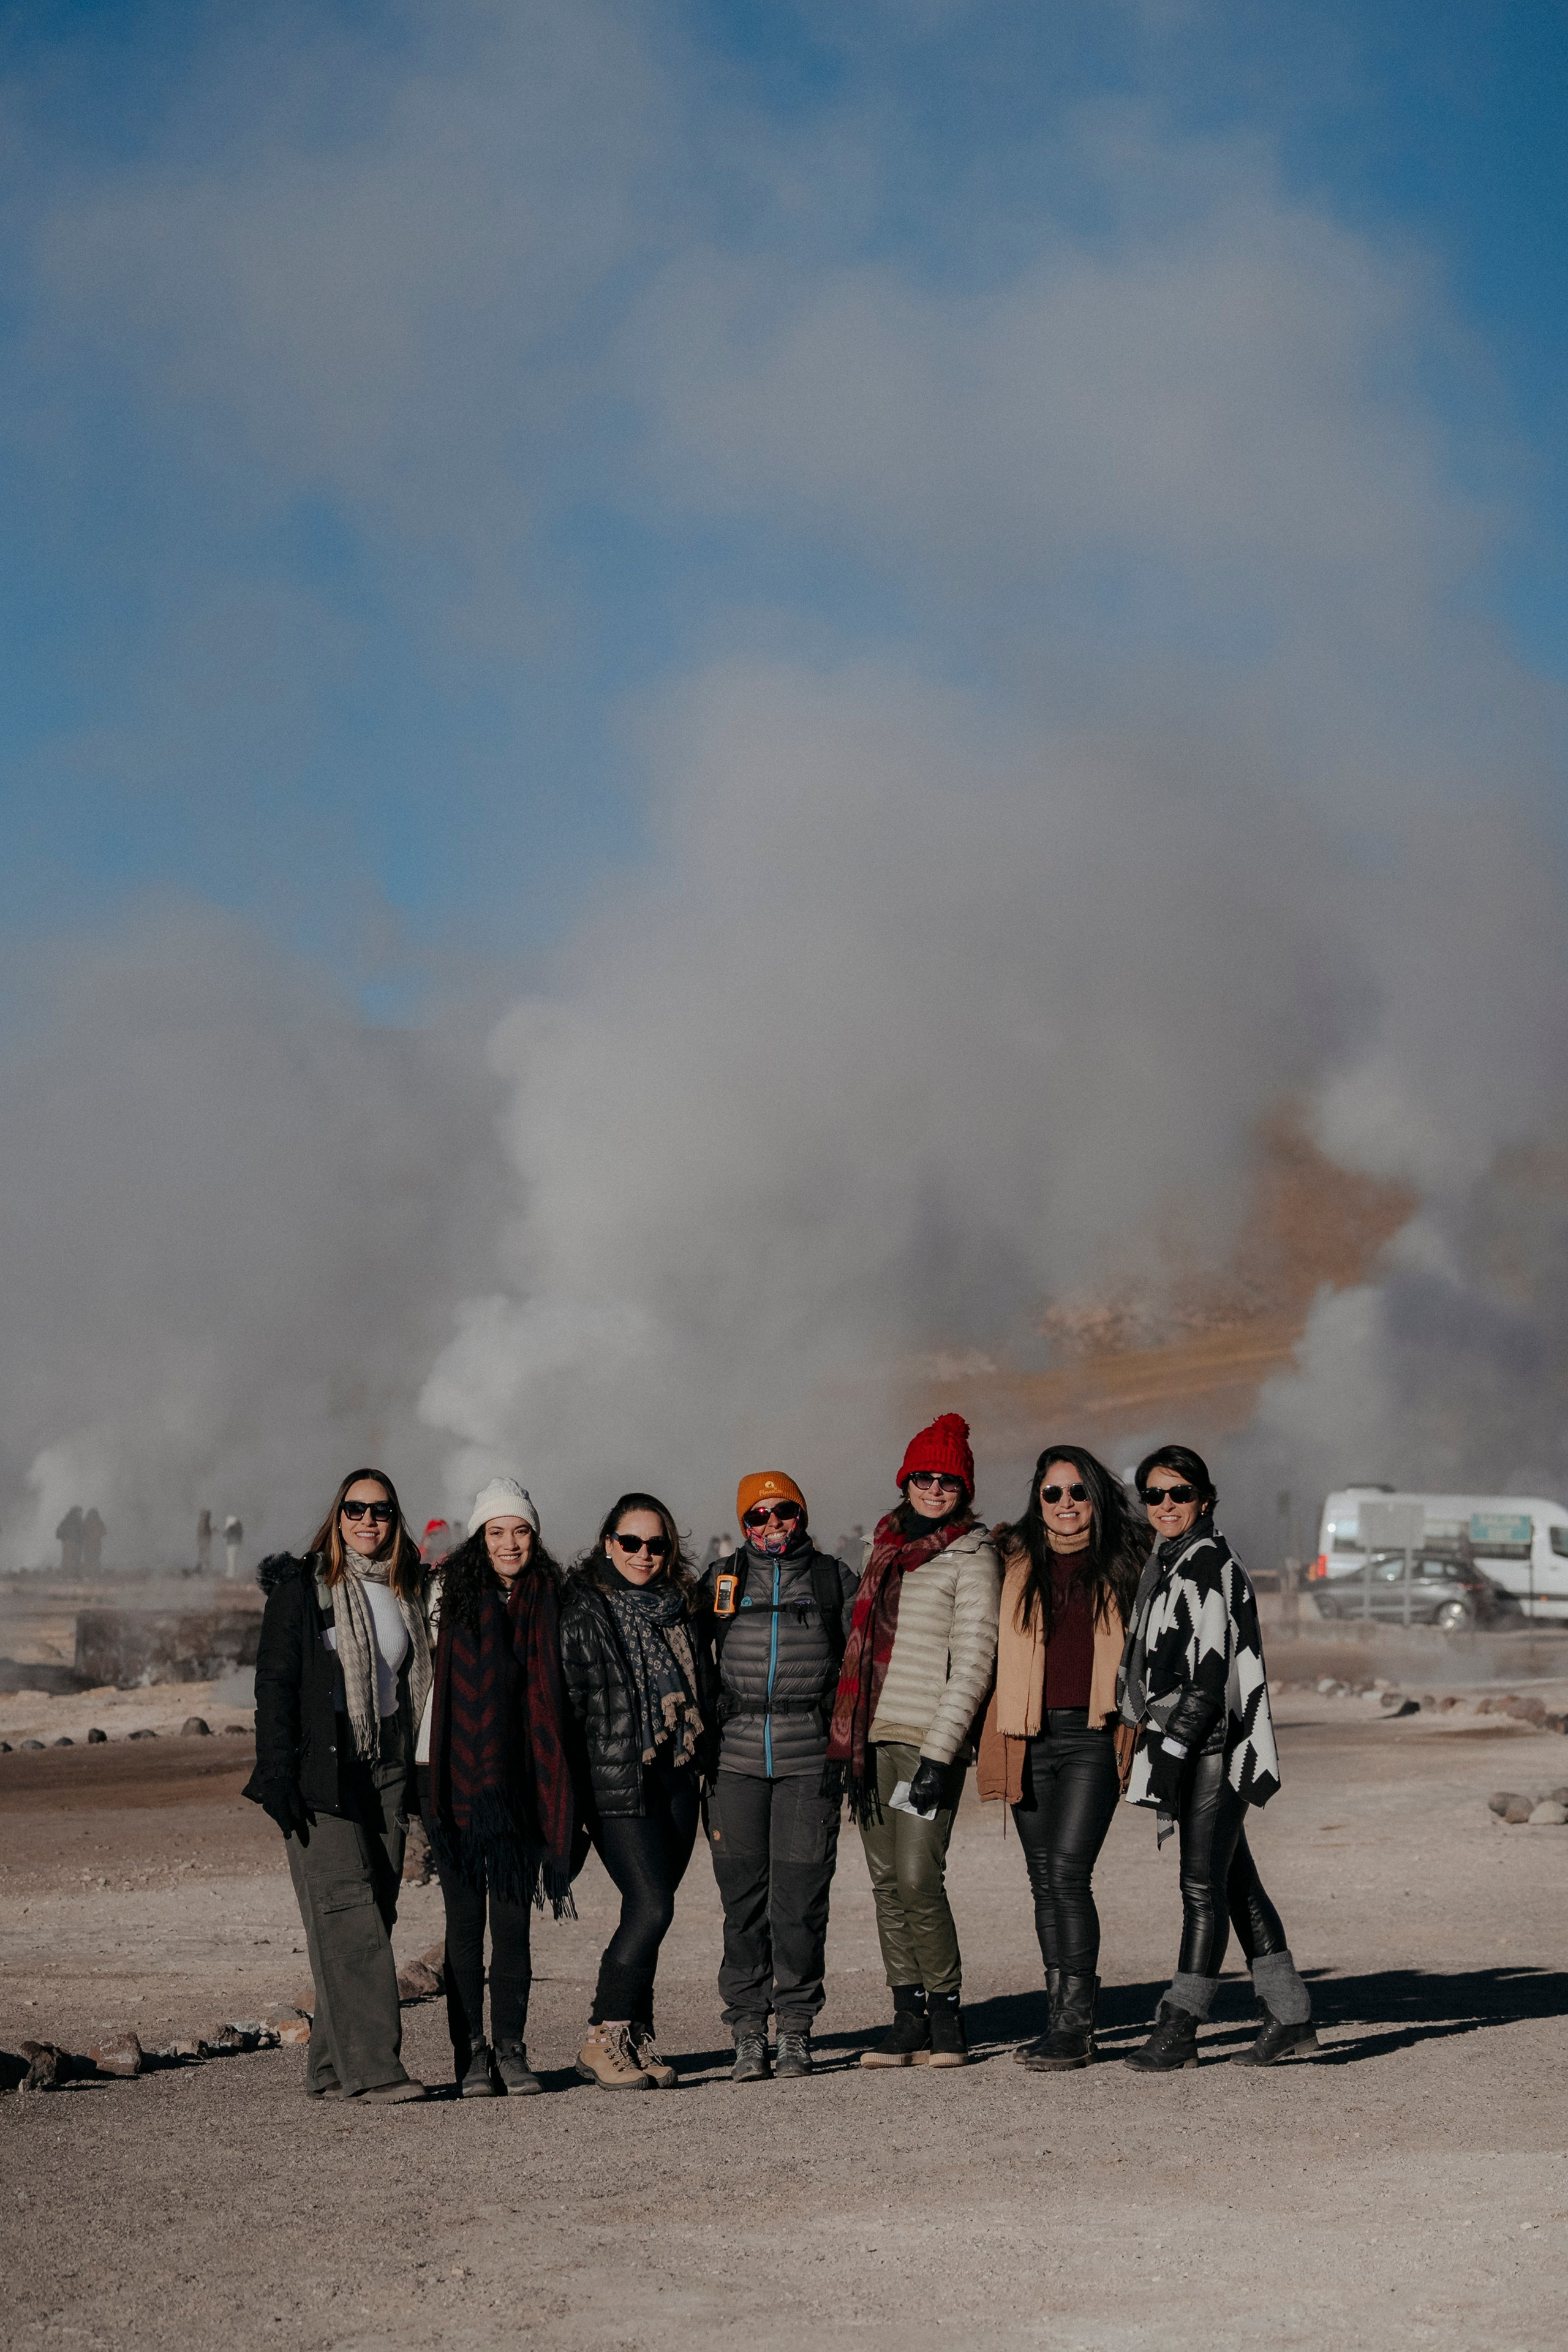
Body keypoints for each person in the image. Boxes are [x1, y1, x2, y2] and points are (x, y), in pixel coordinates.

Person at [1118, 1444, 1316, 2071]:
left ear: (1204, 1500)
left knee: (1200, 1888)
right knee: (1234, 1882)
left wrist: (1172, 1751)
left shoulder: (1207, 1565)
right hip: (1197, 1740)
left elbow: (1208, 1678)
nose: (1166, 1505)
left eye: (1179, 1493)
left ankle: (1179, 2027)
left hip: (1212, 1744)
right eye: (1154, 1495)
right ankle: (1290, 2015)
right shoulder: (1170, 1562)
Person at [244, 1467, 432, 2103]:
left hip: (386, 1767)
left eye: (381, 1511)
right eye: (356, 1509)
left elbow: (411, 1683)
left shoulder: (405, 1588)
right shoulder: (303, 1587)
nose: (367, 1521)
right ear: (338, 1515)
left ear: (395, 1519)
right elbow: (274, 1684)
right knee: (346, 1913)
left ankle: (329, 2068)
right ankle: (375, 2069)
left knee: (375, 1913)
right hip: (322, 1770)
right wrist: (277, 1775)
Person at [826, 1412, 1001, 2068]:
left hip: (926, 1741)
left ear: (965, 1489)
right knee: (884, 1882)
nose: (934, 1489)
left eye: (947, 1481)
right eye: (923, 1477)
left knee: (918, 1876)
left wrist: (939, 1753)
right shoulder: (883, 1548)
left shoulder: (973, 1556)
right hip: (871, 1737)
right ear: (905, 1481)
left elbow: (974, 1661)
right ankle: (907, 2016)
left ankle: (947, 2014)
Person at [977, 1446, 1146, 2070]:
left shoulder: (1128, 1559)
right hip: (1025, 1734)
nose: (1066, 1503)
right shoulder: (1012, 1557)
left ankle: (1076, 2028)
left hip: (1093, 1736)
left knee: (1069, 1875)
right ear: (1038, 1498)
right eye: (1053, 1493)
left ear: (1095, 1497)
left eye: (1077, 1492)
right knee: (1043, 1879)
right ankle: (1059, 2020)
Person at [418, 1478, 579, 2098]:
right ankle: (471, 2055)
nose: (509, 1543)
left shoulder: (551, 1598)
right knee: (464, 1925)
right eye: (496, 1531)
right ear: (478, 1537)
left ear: (534, 1536)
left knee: (512, 1926)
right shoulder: (445, 1594)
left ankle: (511, 2049)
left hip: (522, 1781)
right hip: (452, 1779)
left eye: (520, 1531)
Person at [698, 1471, 859, 2082]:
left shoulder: (831, 1579)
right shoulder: (720, 1581)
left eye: (783, 1511)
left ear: (802, 1515)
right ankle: (747, 2030)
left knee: (799, 1905)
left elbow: (866, 1656)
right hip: (734, 1763)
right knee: (742, 1906)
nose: (772, 1524)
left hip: (808, 1763)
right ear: (743, 1524)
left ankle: (794, 2028)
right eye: (757, 1515)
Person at [560, 1493, 713, 2090]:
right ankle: (602, 2038)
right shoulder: (583, 1609)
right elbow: (568, 1706)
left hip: (677, 1775)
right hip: (616, 1782)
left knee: (649, 1910)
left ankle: (632, 2037)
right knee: (652, 1906)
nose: (643, 1554)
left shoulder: (682, 1608)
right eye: (630, 1542)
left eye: (656, 1544)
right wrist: (569, 1797)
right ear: (608, 1543)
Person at [56, 1506, 84, 1574]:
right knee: (74, 1558)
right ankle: (72, 1573)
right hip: (74, 1541)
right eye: (80, 1512)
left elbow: (60, 1529)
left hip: (67, 1541)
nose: (81, 1514)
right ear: (76, 1512)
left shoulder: (67, 1519)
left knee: (67, 1558)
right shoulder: (77, 1520)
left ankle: (66, 1573)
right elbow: (80, 1531)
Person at [80, 1508, 105, 1573]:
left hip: (87, 1545)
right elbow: (104, 1533)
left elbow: (82, 1533)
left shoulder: (86, 1522)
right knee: (95, 1558)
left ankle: (88, 1572)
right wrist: (97, 1535)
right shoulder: (99, 1522)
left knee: (88, 1559)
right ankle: (95, 1572)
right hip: (96, 1544)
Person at [223, 1513, 244, 1580]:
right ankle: (235, 1573)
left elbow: (225, 1535)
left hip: (231, 1545)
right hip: (237, 1545)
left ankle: (231, 1575)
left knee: (231, 1560)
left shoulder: (231, 1528)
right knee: (235, 1559)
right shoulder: (239, 1527)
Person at [197, 1508, 213, 1575]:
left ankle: (201, 1569)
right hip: (204, 1541)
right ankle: (202, 1570)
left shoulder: (203, 1523)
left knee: (203, 1555)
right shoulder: (204, 1523)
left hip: (203, 1541)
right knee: (204, 1555)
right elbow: (204, 1533)